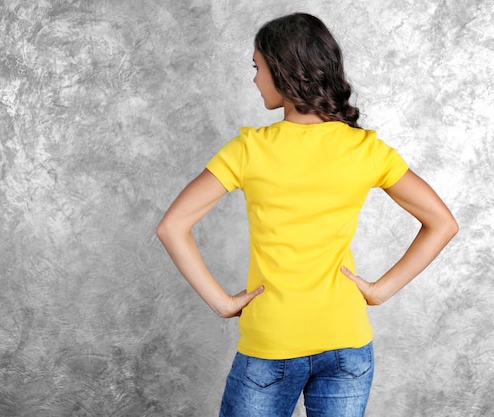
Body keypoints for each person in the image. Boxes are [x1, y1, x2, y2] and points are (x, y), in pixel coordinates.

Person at [157, 12, 458, 417]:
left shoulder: (249, 149)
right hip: (347, 343)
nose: (254, 79)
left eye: (257, 67)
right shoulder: (366, 149)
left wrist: (224, 304)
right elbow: (443, 223)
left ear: (282, 72)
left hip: (272, 342)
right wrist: (380, 290)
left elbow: (172, 226)